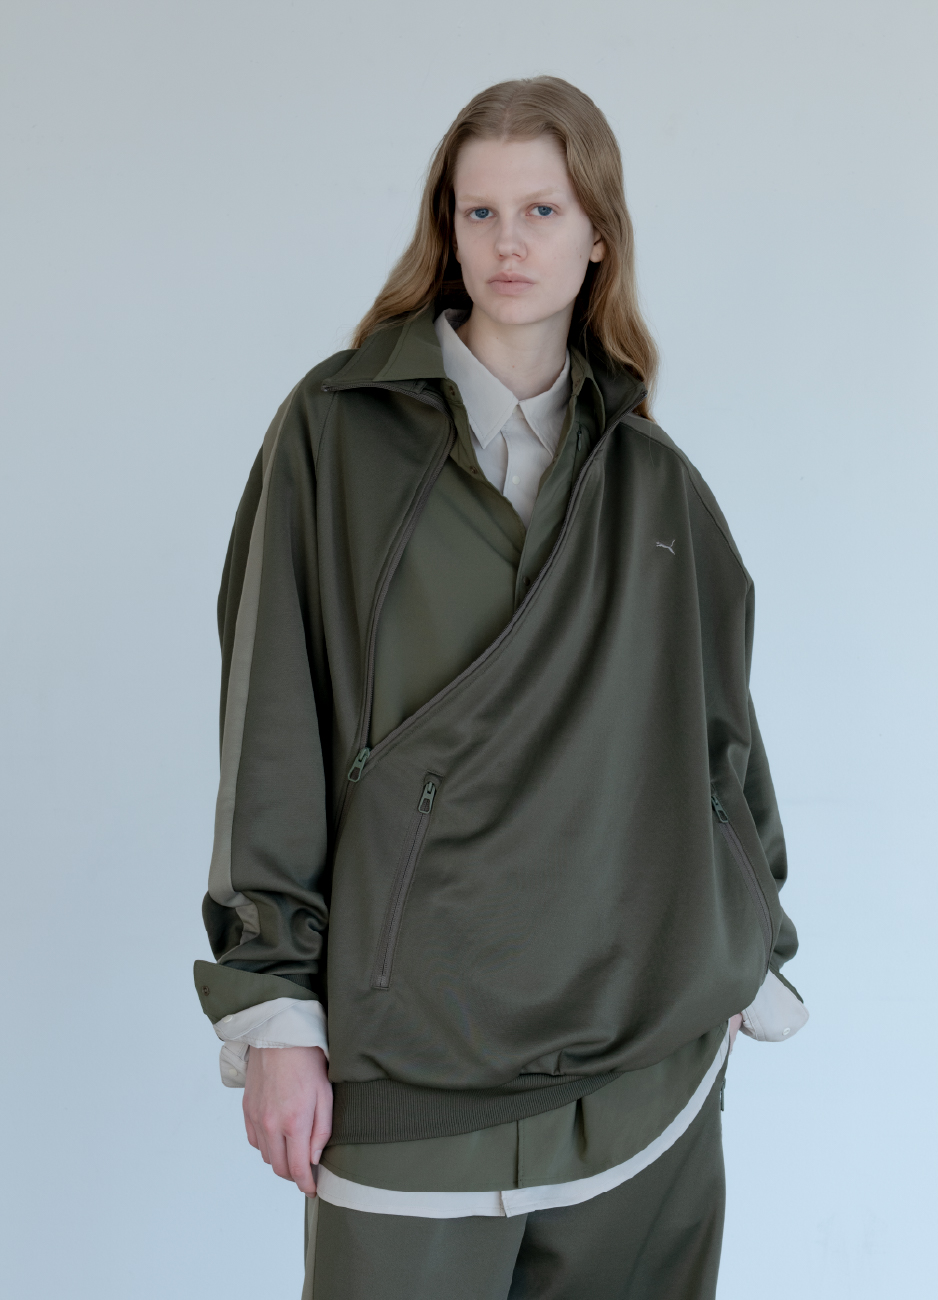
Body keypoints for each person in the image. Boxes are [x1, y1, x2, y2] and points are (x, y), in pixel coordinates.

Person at [194, 75, 808, 1300]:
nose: (508, 243)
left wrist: (751, 939)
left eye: (541, 210)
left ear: (598, 235)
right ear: (447, 228)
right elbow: (273, 720)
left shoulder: (649, 476)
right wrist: (272, 1009)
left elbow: (716, 735)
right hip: (410, 1052)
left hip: (640, 1052)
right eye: (479, 212)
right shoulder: (334, 431)